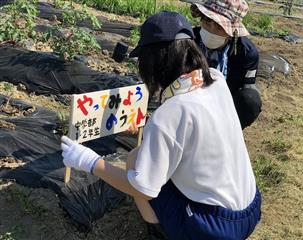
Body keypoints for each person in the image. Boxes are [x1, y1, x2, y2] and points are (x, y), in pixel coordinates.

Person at [61, 11, 261, 240]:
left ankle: (161, 234)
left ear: (154, 61)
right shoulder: (215, 79)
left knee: (138, 172)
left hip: (215, 229)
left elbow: (141, 188)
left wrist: (89, 162)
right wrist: (149, 123)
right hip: (250, 207)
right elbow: (187, 126)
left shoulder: (171, 113)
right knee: (136, 157)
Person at [181, 0, 262, 129]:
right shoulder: (188, 42)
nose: (211, 30)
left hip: (226, 102)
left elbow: (246, 87)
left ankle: (229, 132)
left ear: (232, 32)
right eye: (207, 21)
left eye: (219, 27)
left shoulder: (246, 53)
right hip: (188, 99)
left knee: (250, 99)